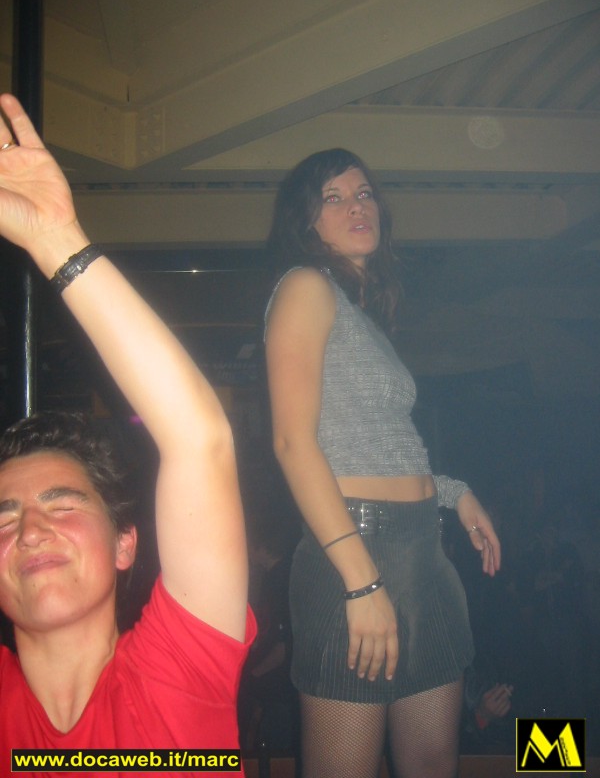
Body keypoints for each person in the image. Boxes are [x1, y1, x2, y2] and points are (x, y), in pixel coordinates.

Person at [0, 94, 256, 777]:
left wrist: (56, 241)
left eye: (61, 504)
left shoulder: (178, 676)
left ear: (124, 544)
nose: (30, 531)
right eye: (4, 518)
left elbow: (199, 437)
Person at [263, 148, 501, 778]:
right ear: (306, 221)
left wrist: (452, 491)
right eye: (333, 197)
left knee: (432, 766)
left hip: (424, 553)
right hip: (354, 550)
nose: (355, 206)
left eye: (363, 192)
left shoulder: (360, 312)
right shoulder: (305, 286)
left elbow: (381, 439)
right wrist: (362, 582)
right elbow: (292, 442)